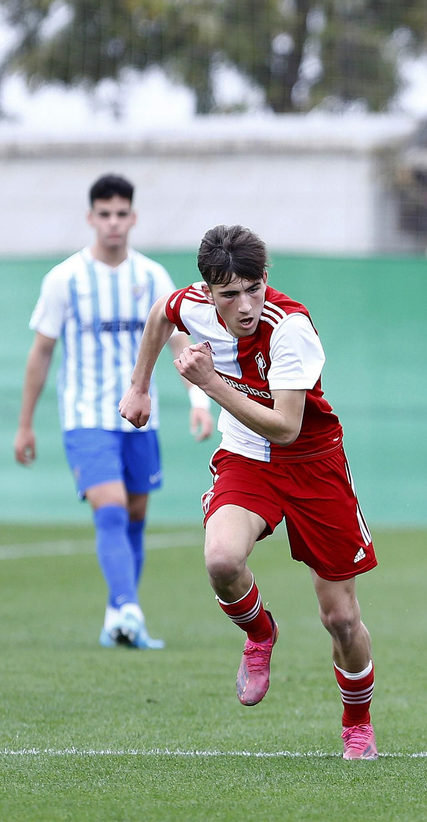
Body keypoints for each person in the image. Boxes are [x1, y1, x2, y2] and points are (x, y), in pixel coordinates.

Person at [119, 225, 381, 759]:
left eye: (254, 288)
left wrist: (209, 383)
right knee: (220, 559)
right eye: (230, 293)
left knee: (341, 618)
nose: (245, 305)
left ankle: (357, 720)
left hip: (312, 464)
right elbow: (159, 316)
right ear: (208, 290)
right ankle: (260, 633)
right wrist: (139, 385)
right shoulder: (190, 304)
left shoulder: (291, 328)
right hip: (246, 456)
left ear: (267, 279)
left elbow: (286, 427)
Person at [14, 173, 213, 649]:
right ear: (91, 219)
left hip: (141, 420)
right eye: (104, 214)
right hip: (86, 416)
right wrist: (25, 424)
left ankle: (115, 616)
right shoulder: (65, 279)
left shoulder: (151, 278)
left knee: (136, 514)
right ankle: (128, 608)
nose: (113, 223)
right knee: (112, 509)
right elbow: (41, 353)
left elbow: (180, 341)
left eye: (121, 214)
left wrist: (198, 400)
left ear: (133, 218)